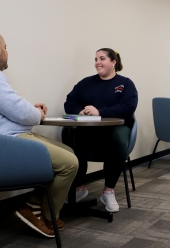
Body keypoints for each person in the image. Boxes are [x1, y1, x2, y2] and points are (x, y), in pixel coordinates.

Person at [0, 29, 78, 238]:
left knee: (66, 150)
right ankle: (48, 215)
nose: (7, 53)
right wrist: (35, 113)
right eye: (6, 48)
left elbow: (5, 109)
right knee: (70, 162)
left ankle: (34, 207)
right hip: (2, 145)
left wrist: (30, 111)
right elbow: (23, 114)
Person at [64, 48, 138, 213]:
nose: (97, 62)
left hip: (117, 128)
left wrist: (100, 112)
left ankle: (108, 191)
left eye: (102, 58)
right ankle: (80, 187)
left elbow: (128, 107)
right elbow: (70, 102)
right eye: (96, 59)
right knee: (68, 132)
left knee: (117, 138)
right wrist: (79, 111)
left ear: (113, 62)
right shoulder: (86, 83)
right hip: (90, 131)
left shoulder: (125, 84)